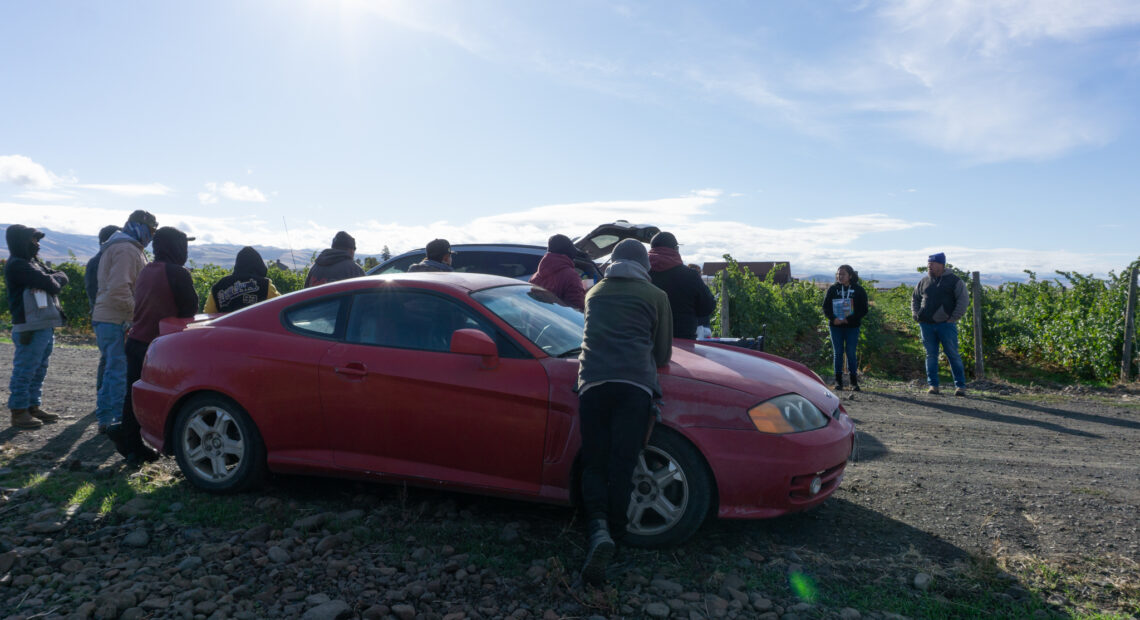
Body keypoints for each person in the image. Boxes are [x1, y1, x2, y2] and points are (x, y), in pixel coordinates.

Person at [576, 239, 673, 586]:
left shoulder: (594, 293)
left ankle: (597, 529)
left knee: (594, 461)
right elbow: (662, 353)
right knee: (623, 461)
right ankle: (615, 534)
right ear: (643, 265)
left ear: (613, 262)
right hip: (634, 386)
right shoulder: (655, 296)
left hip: (592, 383)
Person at [120, 227, 199, 466]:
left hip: (136, 340)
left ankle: (129, 442)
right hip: (157, 346)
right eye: (183, 245)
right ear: (175, 248)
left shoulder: (147, 270)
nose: (185, 250)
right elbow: (190, 311)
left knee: (132, 395)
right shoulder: (178, 273)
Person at [92, 210, 157, 447]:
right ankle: (112, 420)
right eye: (150, 230)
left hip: (111, 317)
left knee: (114, 369)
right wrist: (138, 314)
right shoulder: (127, 250)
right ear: (140, 227)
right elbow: (120, 289)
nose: (151, 236)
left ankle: (108, 418)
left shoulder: (125, 246)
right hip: (116, 319)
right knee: (117, 372)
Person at [5, 225, 68, 430]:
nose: (37, 244)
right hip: (30, 326)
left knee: (39, 369)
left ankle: (32, 406)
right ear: (21, 241)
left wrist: (52, 279)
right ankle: (19, 411)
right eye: (33, 240)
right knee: (26, 369)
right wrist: (51, 280)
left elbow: (60, 277)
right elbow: (53, 284)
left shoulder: (31, 263)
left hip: (43, 324)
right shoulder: (18, 265)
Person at [912, 252, 969, 396]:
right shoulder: (924, 281)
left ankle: (960, 386)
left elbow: (963, 301)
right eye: (928, 263)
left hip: (946, 325)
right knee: (931, 355)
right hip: (926, 325)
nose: (929, 266)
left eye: (933, 263)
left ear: (942, 265)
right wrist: (916, 314)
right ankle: (933, 386)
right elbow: (915, 298)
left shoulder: (955, 281)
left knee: (952, 354)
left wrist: (953, 318)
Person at [647, 232, 716, 339]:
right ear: (676, 249)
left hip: (648, 341)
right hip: (683, 341)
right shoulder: (690, 275)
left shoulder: (642, 274)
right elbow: (707, 307)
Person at [85, 224, 121, 391]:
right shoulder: (102, 261)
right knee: (111, 359)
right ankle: (104, 399)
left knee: (108, 358)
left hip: (102, 316)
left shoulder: (97, 260)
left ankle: (103, 397)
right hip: (108, 317)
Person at [822, 264, 869, 391]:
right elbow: (825, 307)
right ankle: (838, 381)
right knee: (838, 352)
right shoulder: (832, 289)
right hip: (836, 326)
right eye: (838, 274)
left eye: (842, 274)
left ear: (850, 276)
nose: (839, 276)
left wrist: (849, 319)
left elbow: (863, 309)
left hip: (852, 326)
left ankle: (853, 382)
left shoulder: (859, 290)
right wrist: (833, 319)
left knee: (851, 352)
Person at [204, 246, 280, 313]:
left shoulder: (218, 287)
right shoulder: (265, 285)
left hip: (226, 329)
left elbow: (208, 314)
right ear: (260, 265)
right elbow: (281, 307)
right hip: (256, 328)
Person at [529, 234, 586, 310]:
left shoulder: (535, 277)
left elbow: (530, 303)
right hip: (559, 320)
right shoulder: (571, 275)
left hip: (536, 320)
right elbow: (577, 307)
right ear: (569, 251)